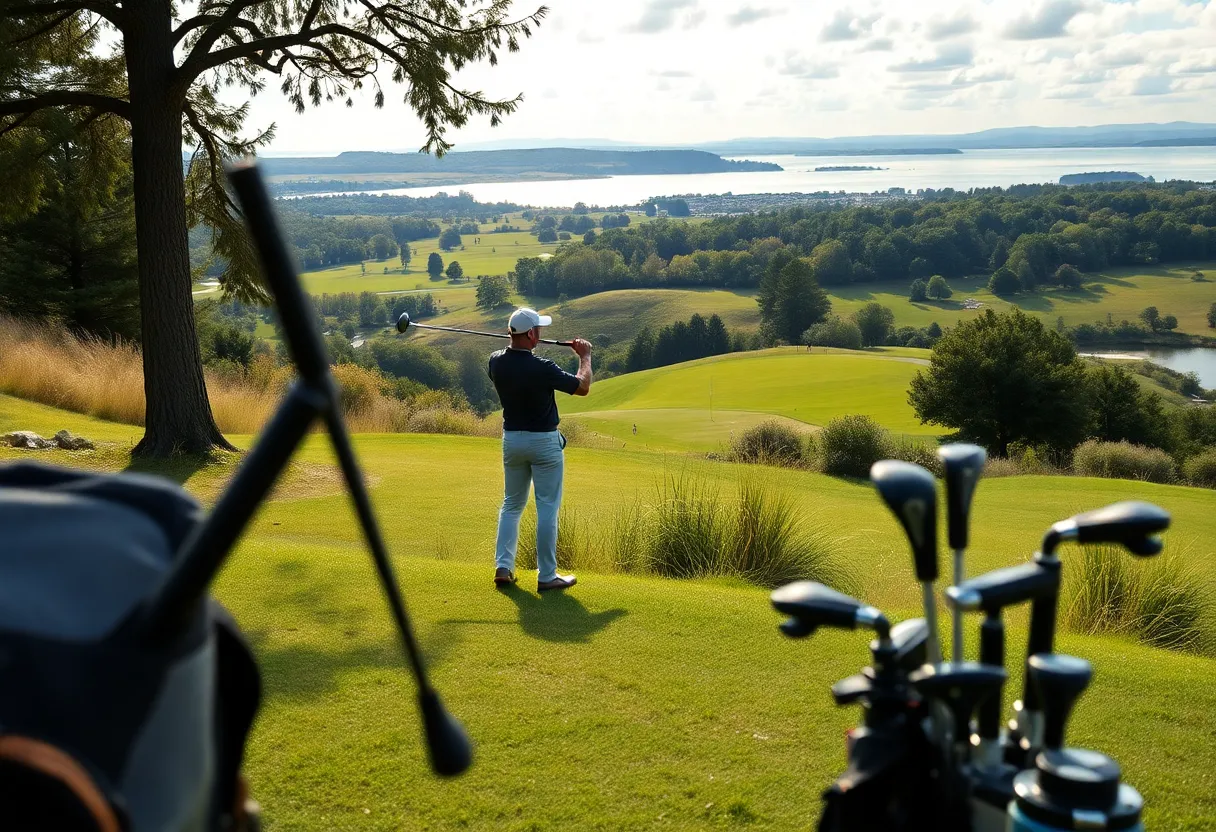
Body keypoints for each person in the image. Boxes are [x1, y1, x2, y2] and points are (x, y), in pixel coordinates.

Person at [488, 307, 592, 591]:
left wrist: (514, 341)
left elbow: (507, 358)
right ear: (532, 333)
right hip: (544, 442)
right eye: (539, 330)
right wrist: (584, 356)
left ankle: (503, 567)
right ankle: (547, 576)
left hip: (512, 440)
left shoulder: (495, 362)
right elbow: (582, 387)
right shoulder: (543, 368)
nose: (541, 335)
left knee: (511, 504)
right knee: (547, 508)